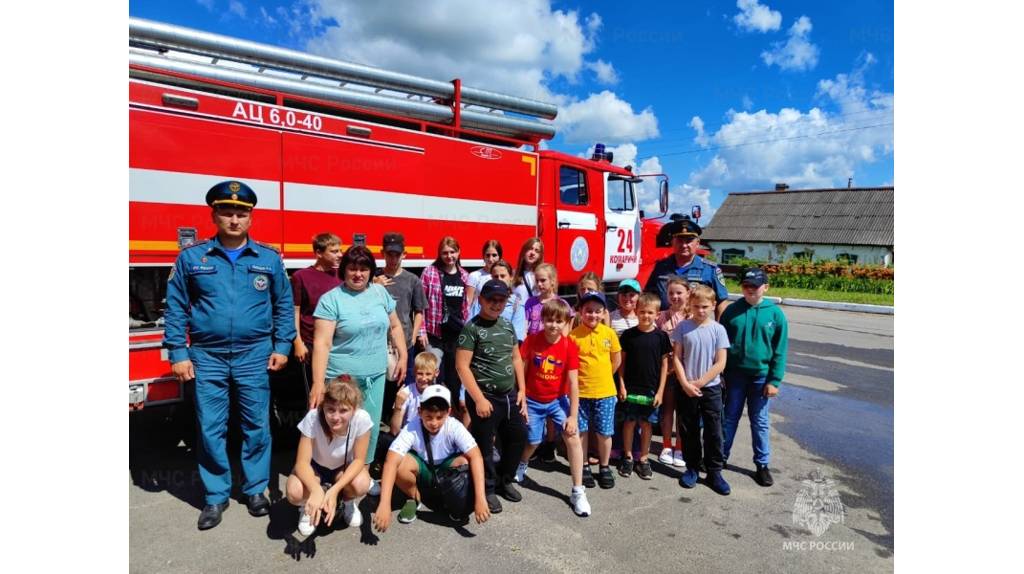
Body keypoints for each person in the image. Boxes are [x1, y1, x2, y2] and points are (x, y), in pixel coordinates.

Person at [163, 180, 296, 530]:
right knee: (210, 427)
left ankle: (255, 490)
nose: (235, 219)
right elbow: (176, 308)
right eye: (227, 212)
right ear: (214, 215)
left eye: (242, 213)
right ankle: (215, 496)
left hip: (255, 354)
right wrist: (178, 352)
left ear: (250, 218)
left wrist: (283, 346)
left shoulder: (268, 258)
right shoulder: (192, 258)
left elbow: (283, 305)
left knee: (256, 425)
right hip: (207, 355)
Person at [311, 245, 408, 482]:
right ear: (344, 270)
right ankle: (332, 476)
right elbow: (321, 344)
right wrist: (317, 384)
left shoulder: (380, 294)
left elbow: (395, 326)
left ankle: (360, 477)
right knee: (339, 428)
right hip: (341, 380)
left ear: (371, 271)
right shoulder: (331, 300)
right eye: (352, 268)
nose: (358, 274)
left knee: (369, 429)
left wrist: (403, 355)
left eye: (364, 269)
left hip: (374, 377)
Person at [456, 279, 529, 513]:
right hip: (484, 397)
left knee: (518, 437)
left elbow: (516, 358)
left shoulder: (507, 325)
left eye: (501, 300)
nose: (496, 304)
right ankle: (487, 488)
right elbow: (462, 367)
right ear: (481, 300)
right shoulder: (471, 329)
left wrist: (523, 392)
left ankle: (504, 480)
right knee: (485, 445)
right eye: (491, 300)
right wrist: (478, 399)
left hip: (509, 396)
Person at [373, 385, 490, 530]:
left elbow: (476, 456)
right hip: (424, 468)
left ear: (448, 412)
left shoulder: (454, 426)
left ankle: (450, 498)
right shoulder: (411, 428)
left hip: (445, 468)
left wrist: (480, 498)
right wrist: (385, 504)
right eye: (428, 417)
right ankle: (414, 497)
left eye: (439, 417)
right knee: (400, 465)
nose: (434, 423)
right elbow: (390, 462)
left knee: (465, 461)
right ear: (420, 412)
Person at [514, 299, 591, 517]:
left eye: (559, 321)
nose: (553, 325)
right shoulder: (531, 341)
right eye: (549, 320)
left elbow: (574, 383)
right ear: (542, 320)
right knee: (533, 440)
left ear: (566, 322)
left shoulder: (569, 346)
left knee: (572, 437)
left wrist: (573, 416)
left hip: (558, 400)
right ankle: (522, 463)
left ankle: (578, 491)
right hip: (533, 399)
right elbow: (522, 370)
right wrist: (522, 398)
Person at [720, 268, 789, 488]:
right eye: (746, 286)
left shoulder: (775, 314)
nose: (750, 290)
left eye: (755, 286)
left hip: (761, 377)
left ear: (765, 288)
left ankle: (762, 465)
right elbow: (721, 345)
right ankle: (720, 457)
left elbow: (780, 350)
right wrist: (721, 371)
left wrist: (774, 380)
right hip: (734, 375)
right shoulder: (732, 311)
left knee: (759, 421)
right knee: (729, 417)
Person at [276, 233, 342, 444]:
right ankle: (311, 444)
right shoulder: (301, 277)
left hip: (337, 345)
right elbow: (294, 312)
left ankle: (334, 441)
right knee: (315, 396)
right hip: (311, 346)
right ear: (318, 253)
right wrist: (297, 342)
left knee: (337, 397)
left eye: (340, 250)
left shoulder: (341, 276)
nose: (339, 255)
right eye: (334, 251)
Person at [287, 376, 372, 536]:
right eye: (330, 409)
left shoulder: (362, 419)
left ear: (354, 409)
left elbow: (359, 460)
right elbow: (302, 463)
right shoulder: (313, 418)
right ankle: (307, 507)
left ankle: (347, 500)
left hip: (342, 467)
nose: (335, 417)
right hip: (315, 467)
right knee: (294, 491)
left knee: (362, 484)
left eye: (343, 410)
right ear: (323, 407)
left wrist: (335, 490)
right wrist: (315, 490)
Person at [670, 284, 731, 495]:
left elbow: (721, 362)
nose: (701, 310)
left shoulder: (718, 330)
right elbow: (677, 357)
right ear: (690, 305)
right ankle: (692, 468)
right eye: (696, 306)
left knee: (714, 432)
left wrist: (700, 382)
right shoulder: (683, 328)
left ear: (713, 305)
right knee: (689, 430)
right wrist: (686, 384)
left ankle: (714, 471)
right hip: (686, 388)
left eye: (705, 306)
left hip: (710, 389)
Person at [616, 293, 672, 480]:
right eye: (642, 312)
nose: (645, 316)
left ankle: (644, 459)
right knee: (629, 422)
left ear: (657, 314)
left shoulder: (661, 337)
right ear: (636, 312)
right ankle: (628, 456)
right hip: (631, 388)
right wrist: (621, 386)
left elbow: (665, 365)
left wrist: (661, 391)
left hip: (651, 389)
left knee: (646, 424)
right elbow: (621, 364)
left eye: (650, 312)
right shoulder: (628, 336)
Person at [570, 291, 622, 490]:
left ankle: (605, 465)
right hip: (580, 394)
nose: (592, 315)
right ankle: (583, 466)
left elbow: (616, 360)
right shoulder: (574, 336)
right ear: (580, 312)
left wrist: (604, 376)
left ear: (603, 313)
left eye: (597, 311)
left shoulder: (609, 334)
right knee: (581, 432)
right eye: (588, 311)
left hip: (605, 392)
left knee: (604, 432)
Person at [374, 232, 427, 413]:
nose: (393, 258)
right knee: (381, 385)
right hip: (380, 342)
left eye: (397, 254)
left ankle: (399, 422)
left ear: (404, 254)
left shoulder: (413, 280)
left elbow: (419, 311)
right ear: (382, 253)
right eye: (389, 254)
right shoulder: (374, 278)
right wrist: (374, 284)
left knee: (402, 384)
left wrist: (412, 337)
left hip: (404, 343)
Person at [420, 236, 471, 414]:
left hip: (457, 336)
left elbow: (466, 308)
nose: (449, 256)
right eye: (445, 253)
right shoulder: (430, 272)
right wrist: (421, 330)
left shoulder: (464, 276)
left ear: (458, 252)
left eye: (452, 252)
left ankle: (454, 416)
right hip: (435, 335)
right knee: (431, 375)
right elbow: (420, 303)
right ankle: (431, 413)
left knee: (455, 379)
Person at [644, 216, 729, 317]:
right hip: (665, 326)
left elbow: (721, 302)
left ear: (697, 243)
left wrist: (719, 329)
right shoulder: (661, 267)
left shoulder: (710, 270)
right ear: (672, 242)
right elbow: (648, 297)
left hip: (696, 328)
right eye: (679, 240)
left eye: (689, 241)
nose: (684, 245)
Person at [655, 276, 691, 468]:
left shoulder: (693, 316)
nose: (675, 296)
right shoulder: (661, 317)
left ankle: (681, 447)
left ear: (688, 293)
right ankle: (667, 445)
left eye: (679, 292)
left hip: (687, 372)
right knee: (667, 409)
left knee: (683, 412)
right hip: (667, 371)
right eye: (671, 293)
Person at [468, 260, 526, 342]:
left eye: (503, 276)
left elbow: (517, 337)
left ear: (511, 277)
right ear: (491, 278)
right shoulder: (481, 300)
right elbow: (470, 328)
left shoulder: (517, 303)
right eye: (496, 276)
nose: (499, 279)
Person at [390, 350, 442, 433]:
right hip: (409, 434)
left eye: (428, 374)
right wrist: (398, 407)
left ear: (436, 373)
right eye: (420, 373)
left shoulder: (440, 393)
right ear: (414, 372)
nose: (424, 378)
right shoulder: (406, 392)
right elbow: (394, 431)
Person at [524, 263, 574, 336]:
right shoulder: (531, 302)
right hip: (534, 344)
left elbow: (565, 333)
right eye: (537, 281)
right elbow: (524, 328)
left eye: (543, 280)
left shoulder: (561, 303)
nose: (539, 284)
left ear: (552, 281)